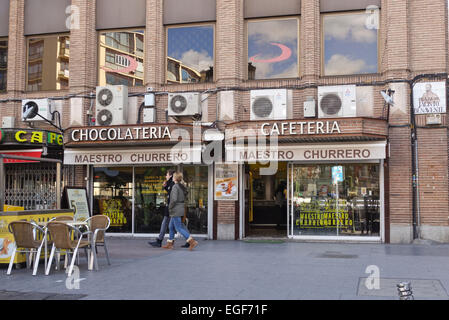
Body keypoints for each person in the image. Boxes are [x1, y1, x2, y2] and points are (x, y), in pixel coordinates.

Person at [148, 170, 190, 248]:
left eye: (166, 174)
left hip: (173, 208)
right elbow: (172, 193)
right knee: (173, 226)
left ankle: (190, 240)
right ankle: (170, 243)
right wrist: (165, 187)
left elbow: (173, 197)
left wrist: (170, 207)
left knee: (176, 226)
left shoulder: (174, 184)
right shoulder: (174, 184)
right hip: (175, 208)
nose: (165, 176)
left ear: (171, 176)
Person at [162, 172, 198, 250]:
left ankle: (192, 241)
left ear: (174, 178)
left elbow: (174, 199)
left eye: (173, 177)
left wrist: (170, 207)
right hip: (180, 208)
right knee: (171, 226)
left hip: (175, 209)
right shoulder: (182, 186)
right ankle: (170, 243)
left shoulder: (175, 187)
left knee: (178, 228)